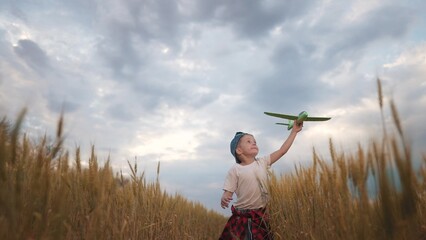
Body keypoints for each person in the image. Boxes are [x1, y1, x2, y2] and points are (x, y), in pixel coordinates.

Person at [219, 120, 303, 239]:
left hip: (261, 215)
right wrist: (225, 197)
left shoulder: (263, 162)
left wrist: (294, 131)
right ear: (239, 150)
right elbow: (229, 191)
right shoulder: (235, 170)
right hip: (242, 216)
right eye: (249, 142)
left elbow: (282, 151)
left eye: (255, 142)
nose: (254, 143)